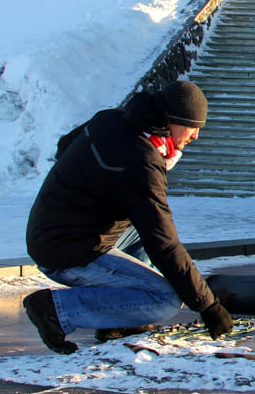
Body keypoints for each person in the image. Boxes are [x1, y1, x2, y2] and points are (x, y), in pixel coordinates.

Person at [22, 80, 232, 353]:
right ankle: (57, 310)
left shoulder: (113, 119)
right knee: (164, 299)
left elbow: (65, 146)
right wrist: (208, 305)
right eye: (192, 127)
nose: (195, 136)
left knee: (143, 225)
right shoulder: (140, 159)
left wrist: (91, 192)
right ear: (171, 120)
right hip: (67, 251)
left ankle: (118, 319)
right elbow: (163, 242)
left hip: (53, 230)